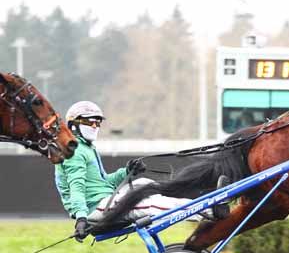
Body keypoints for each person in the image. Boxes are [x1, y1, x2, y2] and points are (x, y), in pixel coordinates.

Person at [54, 101, 194, 242]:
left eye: (98, 123)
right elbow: (76, 187)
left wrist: (127, 171)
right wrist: (81, 218)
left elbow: (105, 182)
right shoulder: (74, 152)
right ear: (74, 125)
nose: (95, 126)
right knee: (147, 203)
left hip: (104, 200)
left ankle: (192, 201)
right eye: (91, 122)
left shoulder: (87, 148)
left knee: (144, 183)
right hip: (95, 208)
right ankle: (204, 211)